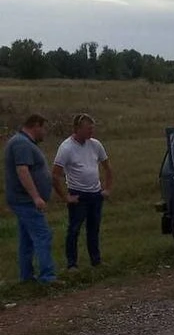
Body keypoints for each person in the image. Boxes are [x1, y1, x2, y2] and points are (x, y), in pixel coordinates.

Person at [52, 113, 113, 271]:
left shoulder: (95, 145)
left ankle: (96, 260)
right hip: (78, 194)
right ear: (77, 129)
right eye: (88, 129)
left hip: (95, 193)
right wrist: (65, 197)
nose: (91, 132)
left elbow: (107, 167)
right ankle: (72, 264)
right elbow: (55, 175)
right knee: (74, 229)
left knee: (94, 228)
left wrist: (107, 188)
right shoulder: (66, 148)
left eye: (92, 129)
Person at [3, 114, 57, 284]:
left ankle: (26, 276)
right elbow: (22, 171)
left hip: (23, 200)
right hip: (25, 200)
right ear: (36, 125)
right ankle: (47, 277)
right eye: (44, 128)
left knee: (27, 238)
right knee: (43, 235)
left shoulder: (23, 142)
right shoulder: (21, 143)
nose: (45, 132)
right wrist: (36, 197)